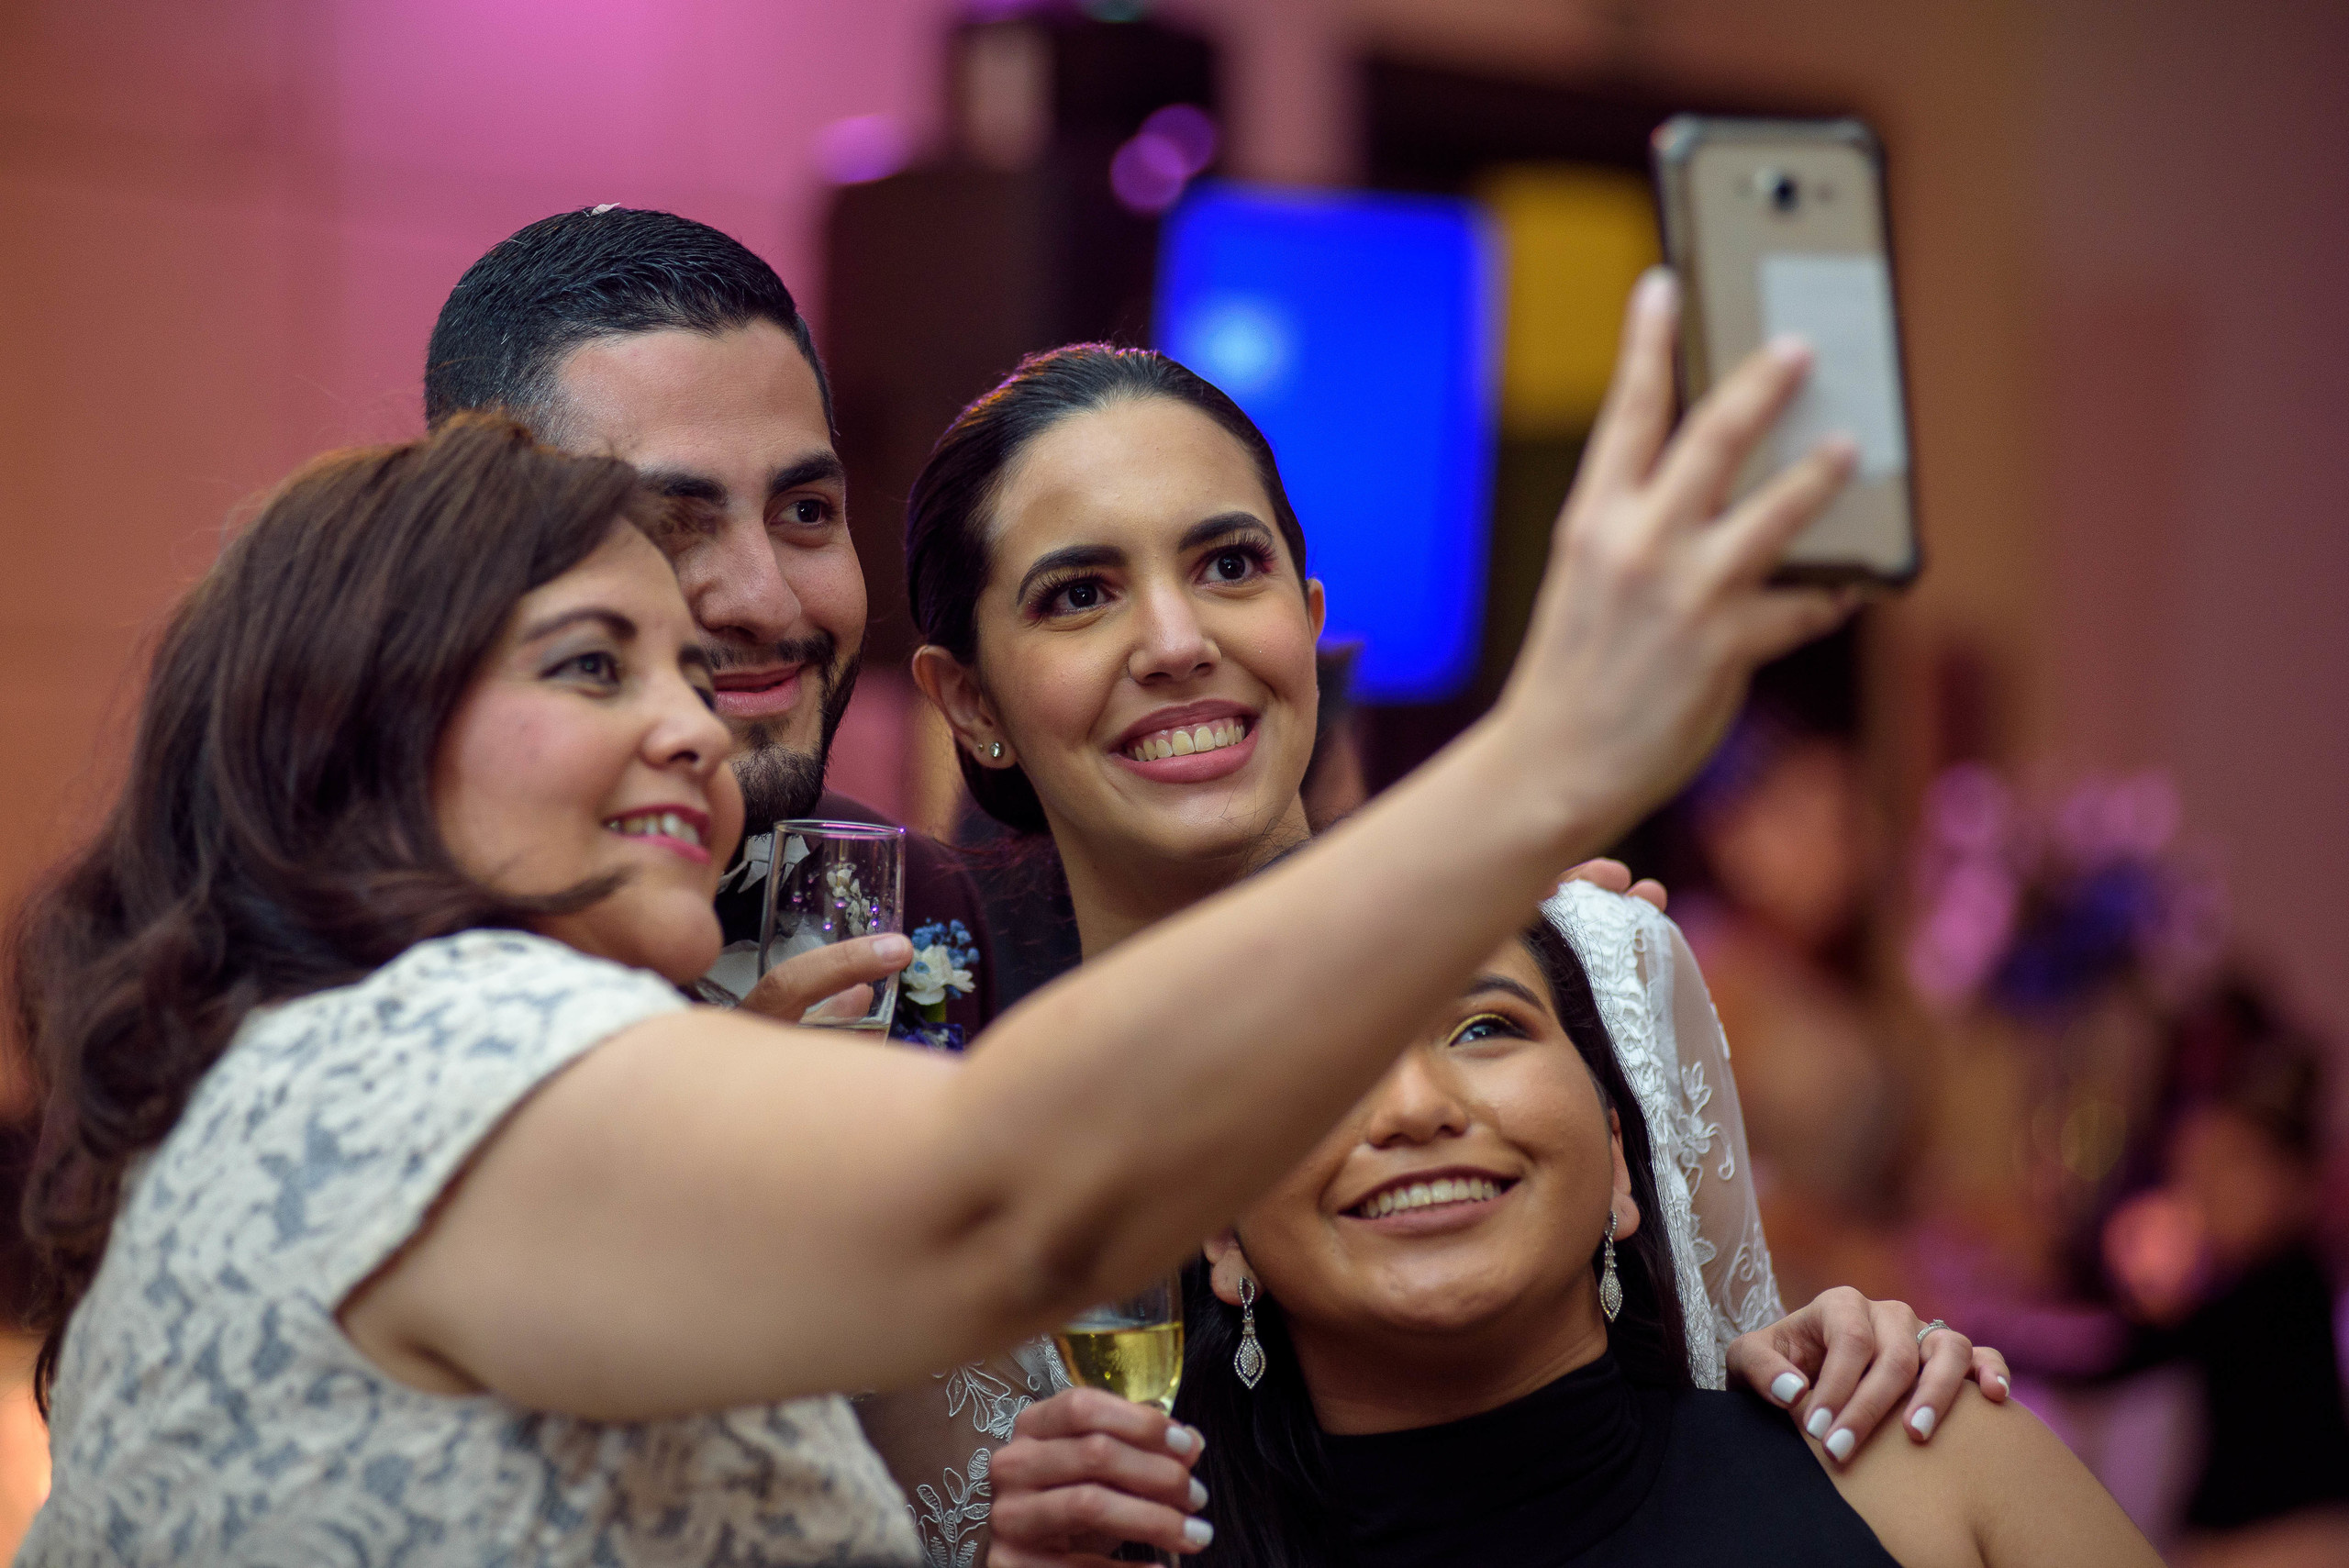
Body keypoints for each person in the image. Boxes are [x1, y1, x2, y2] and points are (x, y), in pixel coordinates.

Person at [9, 263, 1854, 1561]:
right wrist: (1538, 764)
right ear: (362, 733)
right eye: (593, 661)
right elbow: (1007, 1181)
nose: (693, 720)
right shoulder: (424, 1050)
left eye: (683, 664)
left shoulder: (349, 1072)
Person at [894, 313, 2009, 1560]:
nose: (1176, 640)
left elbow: (1713, 1366)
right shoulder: (922, 1122)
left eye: (1228, 566)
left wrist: (1845, 1356)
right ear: (971, 700)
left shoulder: (1600, 960)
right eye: (1081, 593)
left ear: (1306, 618)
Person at [985, 907, 2165, 1567]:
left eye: (1487, 1024)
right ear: (1223, 1236)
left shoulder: (1919, 1461)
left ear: (1615, 1160)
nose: (1415, 1103)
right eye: (1321, 1064)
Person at [425, 206, 986, 1037]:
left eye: (804, 510)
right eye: (668, 524)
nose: (766, 600)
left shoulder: (925, 910)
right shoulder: (356, 947)